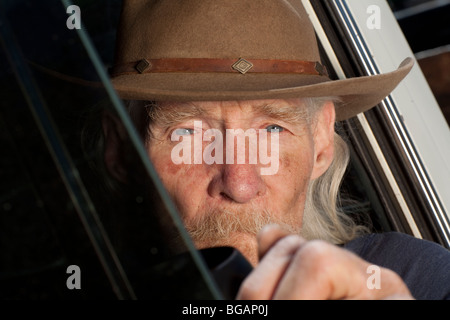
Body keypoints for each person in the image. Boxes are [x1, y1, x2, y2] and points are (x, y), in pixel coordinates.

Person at [100, 0, 450, 299]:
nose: (238, 184)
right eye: (189, 132)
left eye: (272, 128)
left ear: (321, 142)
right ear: (121, 151)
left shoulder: (415, 278)